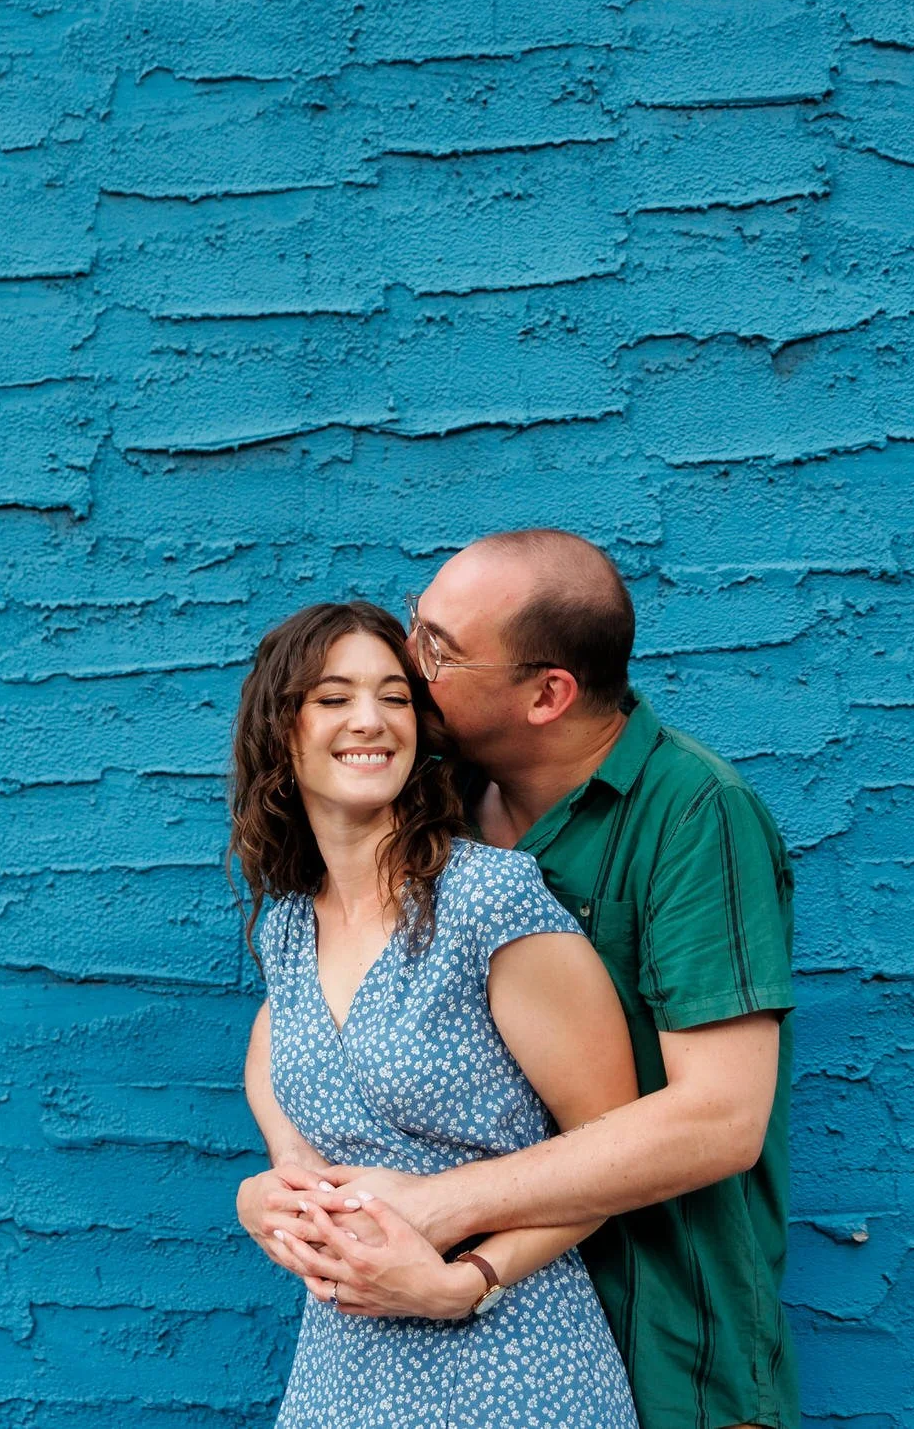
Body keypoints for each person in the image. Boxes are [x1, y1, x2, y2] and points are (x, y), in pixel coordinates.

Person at [243, 532, 800, 1429]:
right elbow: (307, 1007)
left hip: (670, 1327)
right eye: (418, 633)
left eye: (436, 652)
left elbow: (722, 1118)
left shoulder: (695, 814)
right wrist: (285, 1172)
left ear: (548, 693)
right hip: (428, 1338)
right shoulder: (433, 808)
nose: (410, 678)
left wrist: (443, 1217)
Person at [230, 600, 643, 1427]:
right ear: (282, 730)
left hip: (515, 1364)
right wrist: (267, 1189)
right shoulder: (286, 929)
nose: (370, 720)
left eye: (393, 695)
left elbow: (616, 1152)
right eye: (334, 696)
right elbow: (280, 1073)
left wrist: (468, 1283)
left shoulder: (488, 903)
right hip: (343, 1372)